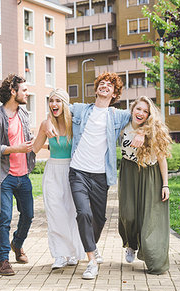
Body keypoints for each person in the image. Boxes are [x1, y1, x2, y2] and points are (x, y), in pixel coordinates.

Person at [44, 72, 144, 279]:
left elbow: (143, 118)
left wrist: (143, 133)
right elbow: (57, 108)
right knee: (83, 213)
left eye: (109, 85)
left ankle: (91, 247)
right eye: (101, 83)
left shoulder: (117, 115)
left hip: (100, 176)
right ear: (96, 88)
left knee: (99, 218)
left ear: (114, 92)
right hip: (78, 171)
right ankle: (91, 261)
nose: (104, 86)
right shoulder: (80, 109)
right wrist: (46, 122)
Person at [0, 74, 36, 276]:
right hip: (4, 176)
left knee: (29, 215)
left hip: (23, 175)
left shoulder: (24, 114)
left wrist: (46, 144)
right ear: (13, 92)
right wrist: (16, 148)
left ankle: (17, 243)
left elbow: (29, 140)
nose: (27, 92)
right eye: (24, 90)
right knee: (4, 218)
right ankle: (3, 260)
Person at [118, 96, 172, 275]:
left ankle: (154, 260)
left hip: (150, 175)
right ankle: (131, 245)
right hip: (128, 172)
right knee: (128, 214)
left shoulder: (152, 131)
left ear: (149, 115)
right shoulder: (123, 126)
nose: (140, 113)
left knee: (150, 220)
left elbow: (162, 159)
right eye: (138, 109)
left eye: (145, 111)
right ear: (132, 109)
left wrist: (165, 185)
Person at [32, 89, 85, 270]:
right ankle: (59, 255)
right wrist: (45, 125)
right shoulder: (46, 125)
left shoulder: (74, 124)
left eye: (58, 101)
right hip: (53, 170)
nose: (54, 104)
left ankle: (73, 253)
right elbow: (35, 148)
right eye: (51, 101)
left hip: (72, 170)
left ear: (65, 103)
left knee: (72, 213)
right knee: (55, 213)